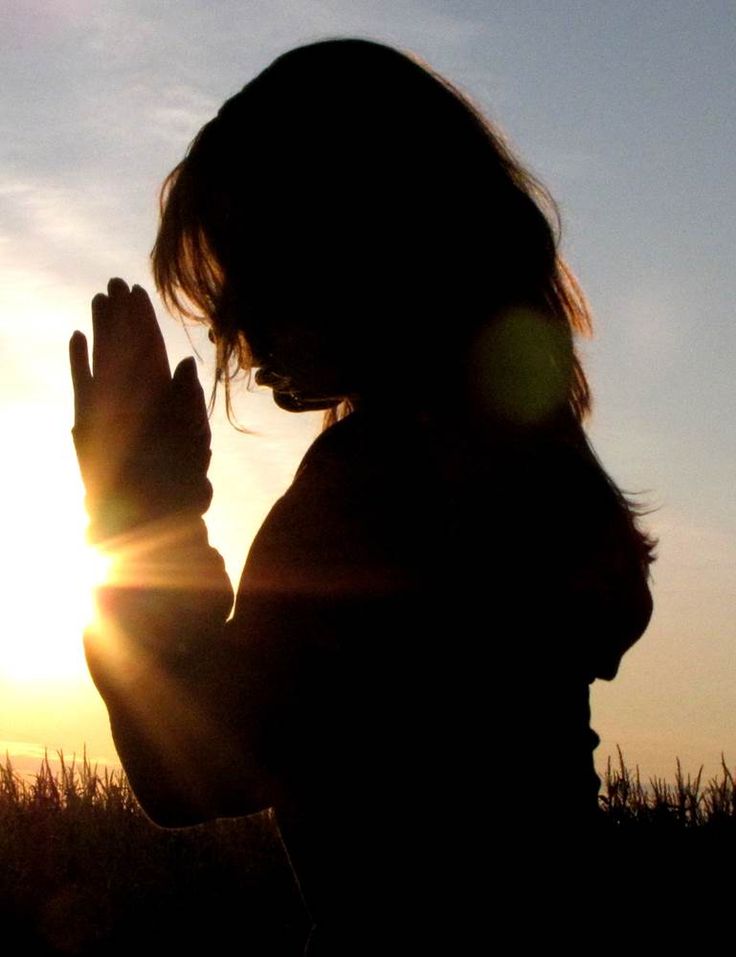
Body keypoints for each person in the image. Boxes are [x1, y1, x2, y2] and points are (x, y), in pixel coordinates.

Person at [70, 38, 654, 953]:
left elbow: (191, 769)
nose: (237, 334)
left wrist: (145, 512)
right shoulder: (522, 457)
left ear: (356, 246)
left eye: (253, 281)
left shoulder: (374, 492)